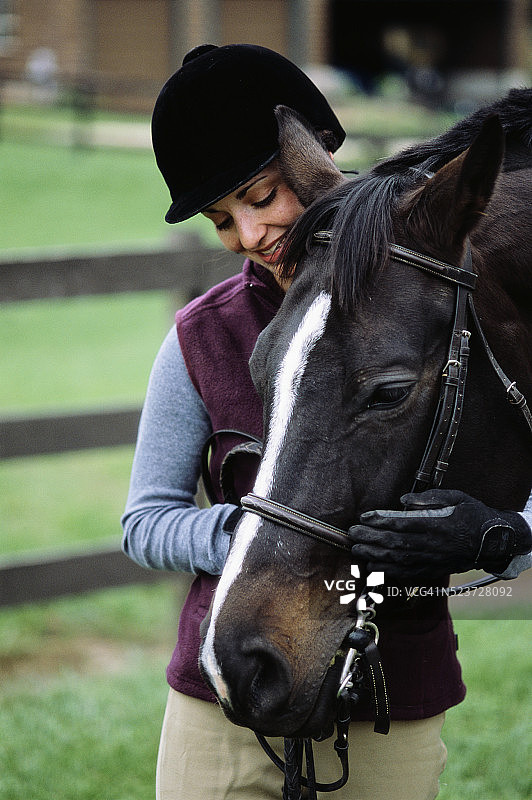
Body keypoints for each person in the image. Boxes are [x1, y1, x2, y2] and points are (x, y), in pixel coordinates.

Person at [121, 43, 532, 800]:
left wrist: (502, 533)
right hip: (227, 701)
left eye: (263, 195)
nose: (250, 235)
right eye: (221, 219)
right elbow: (145, 521)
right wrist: (262, 530)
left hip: (391, 709)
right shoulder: (201, 336)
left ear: (317, 164)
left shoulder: (449, 310)